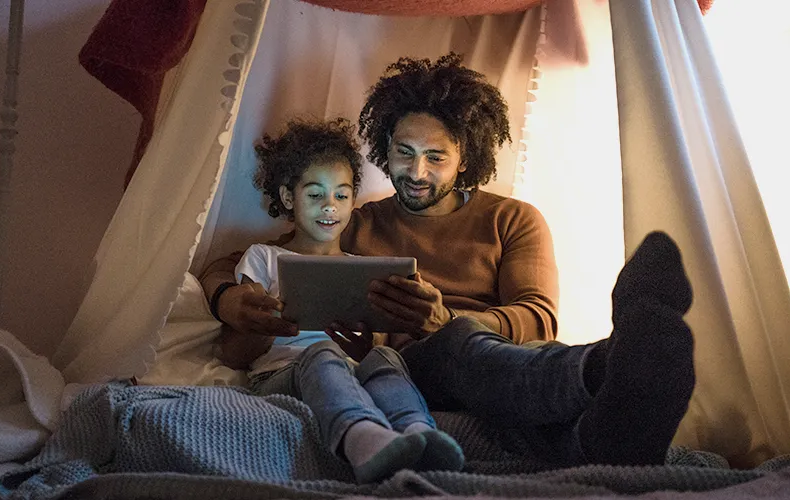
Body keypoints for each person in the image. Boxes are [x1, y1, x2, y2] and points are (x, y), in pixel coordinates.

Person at [202, 54, 696, 467]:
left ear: (466, 157)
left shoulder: (512, 219)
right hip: (402, 371)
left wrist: (446, 319)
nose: (416, 172)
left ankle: (607, 429)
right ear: (385, 150)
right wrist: (230, 301)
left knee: (472, 364)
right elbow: (237, 263)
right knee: (453, 349)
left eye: (436, 157)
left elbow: (538, 319)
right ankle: (609, 365)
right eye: (403, 152)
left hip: (490, 363)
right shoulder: (353, 220)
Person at [219, 117, 465, 483]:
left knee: (386, 357)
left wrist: (367, 345)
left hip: (348, 371)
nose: (330, 207)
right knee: (321, 353)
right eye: (316, 195)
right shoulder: (263, 258)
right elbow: (232, 353)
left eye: (342, 195)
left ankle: (417, 432)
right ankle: (361, 439)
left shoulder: (360, 269)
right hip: (281, 374)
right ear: (289, 197)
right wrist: (269, 324)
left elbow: (369, 349)